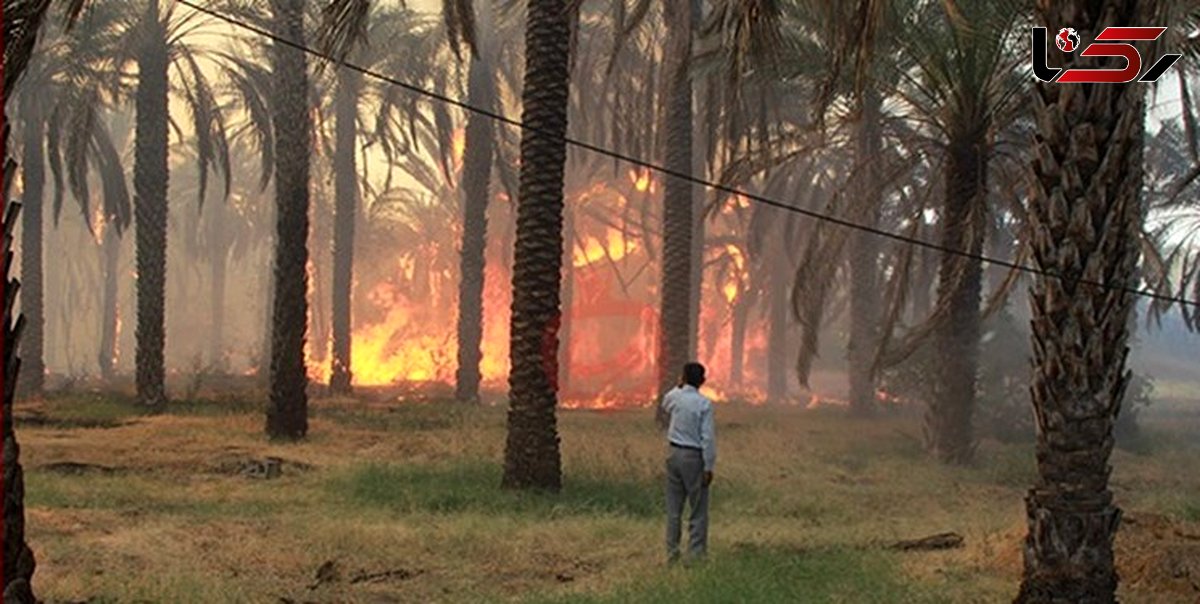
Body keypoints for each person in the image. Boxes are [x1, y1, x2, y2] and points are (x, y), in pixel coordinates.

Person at [661, 362, 716, 564]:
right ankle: (695, 556)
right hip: (694, 457)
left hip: (674, 454)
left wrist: (678, 385)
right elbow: (707, 438)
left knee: (674, 509)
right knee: (698, 508)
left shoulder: (675, 397)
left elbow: (665, 404)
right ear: (702, 381)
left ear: (683, 378)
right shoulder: (704, 404)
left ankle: (671, 554)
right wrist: (708, 466)